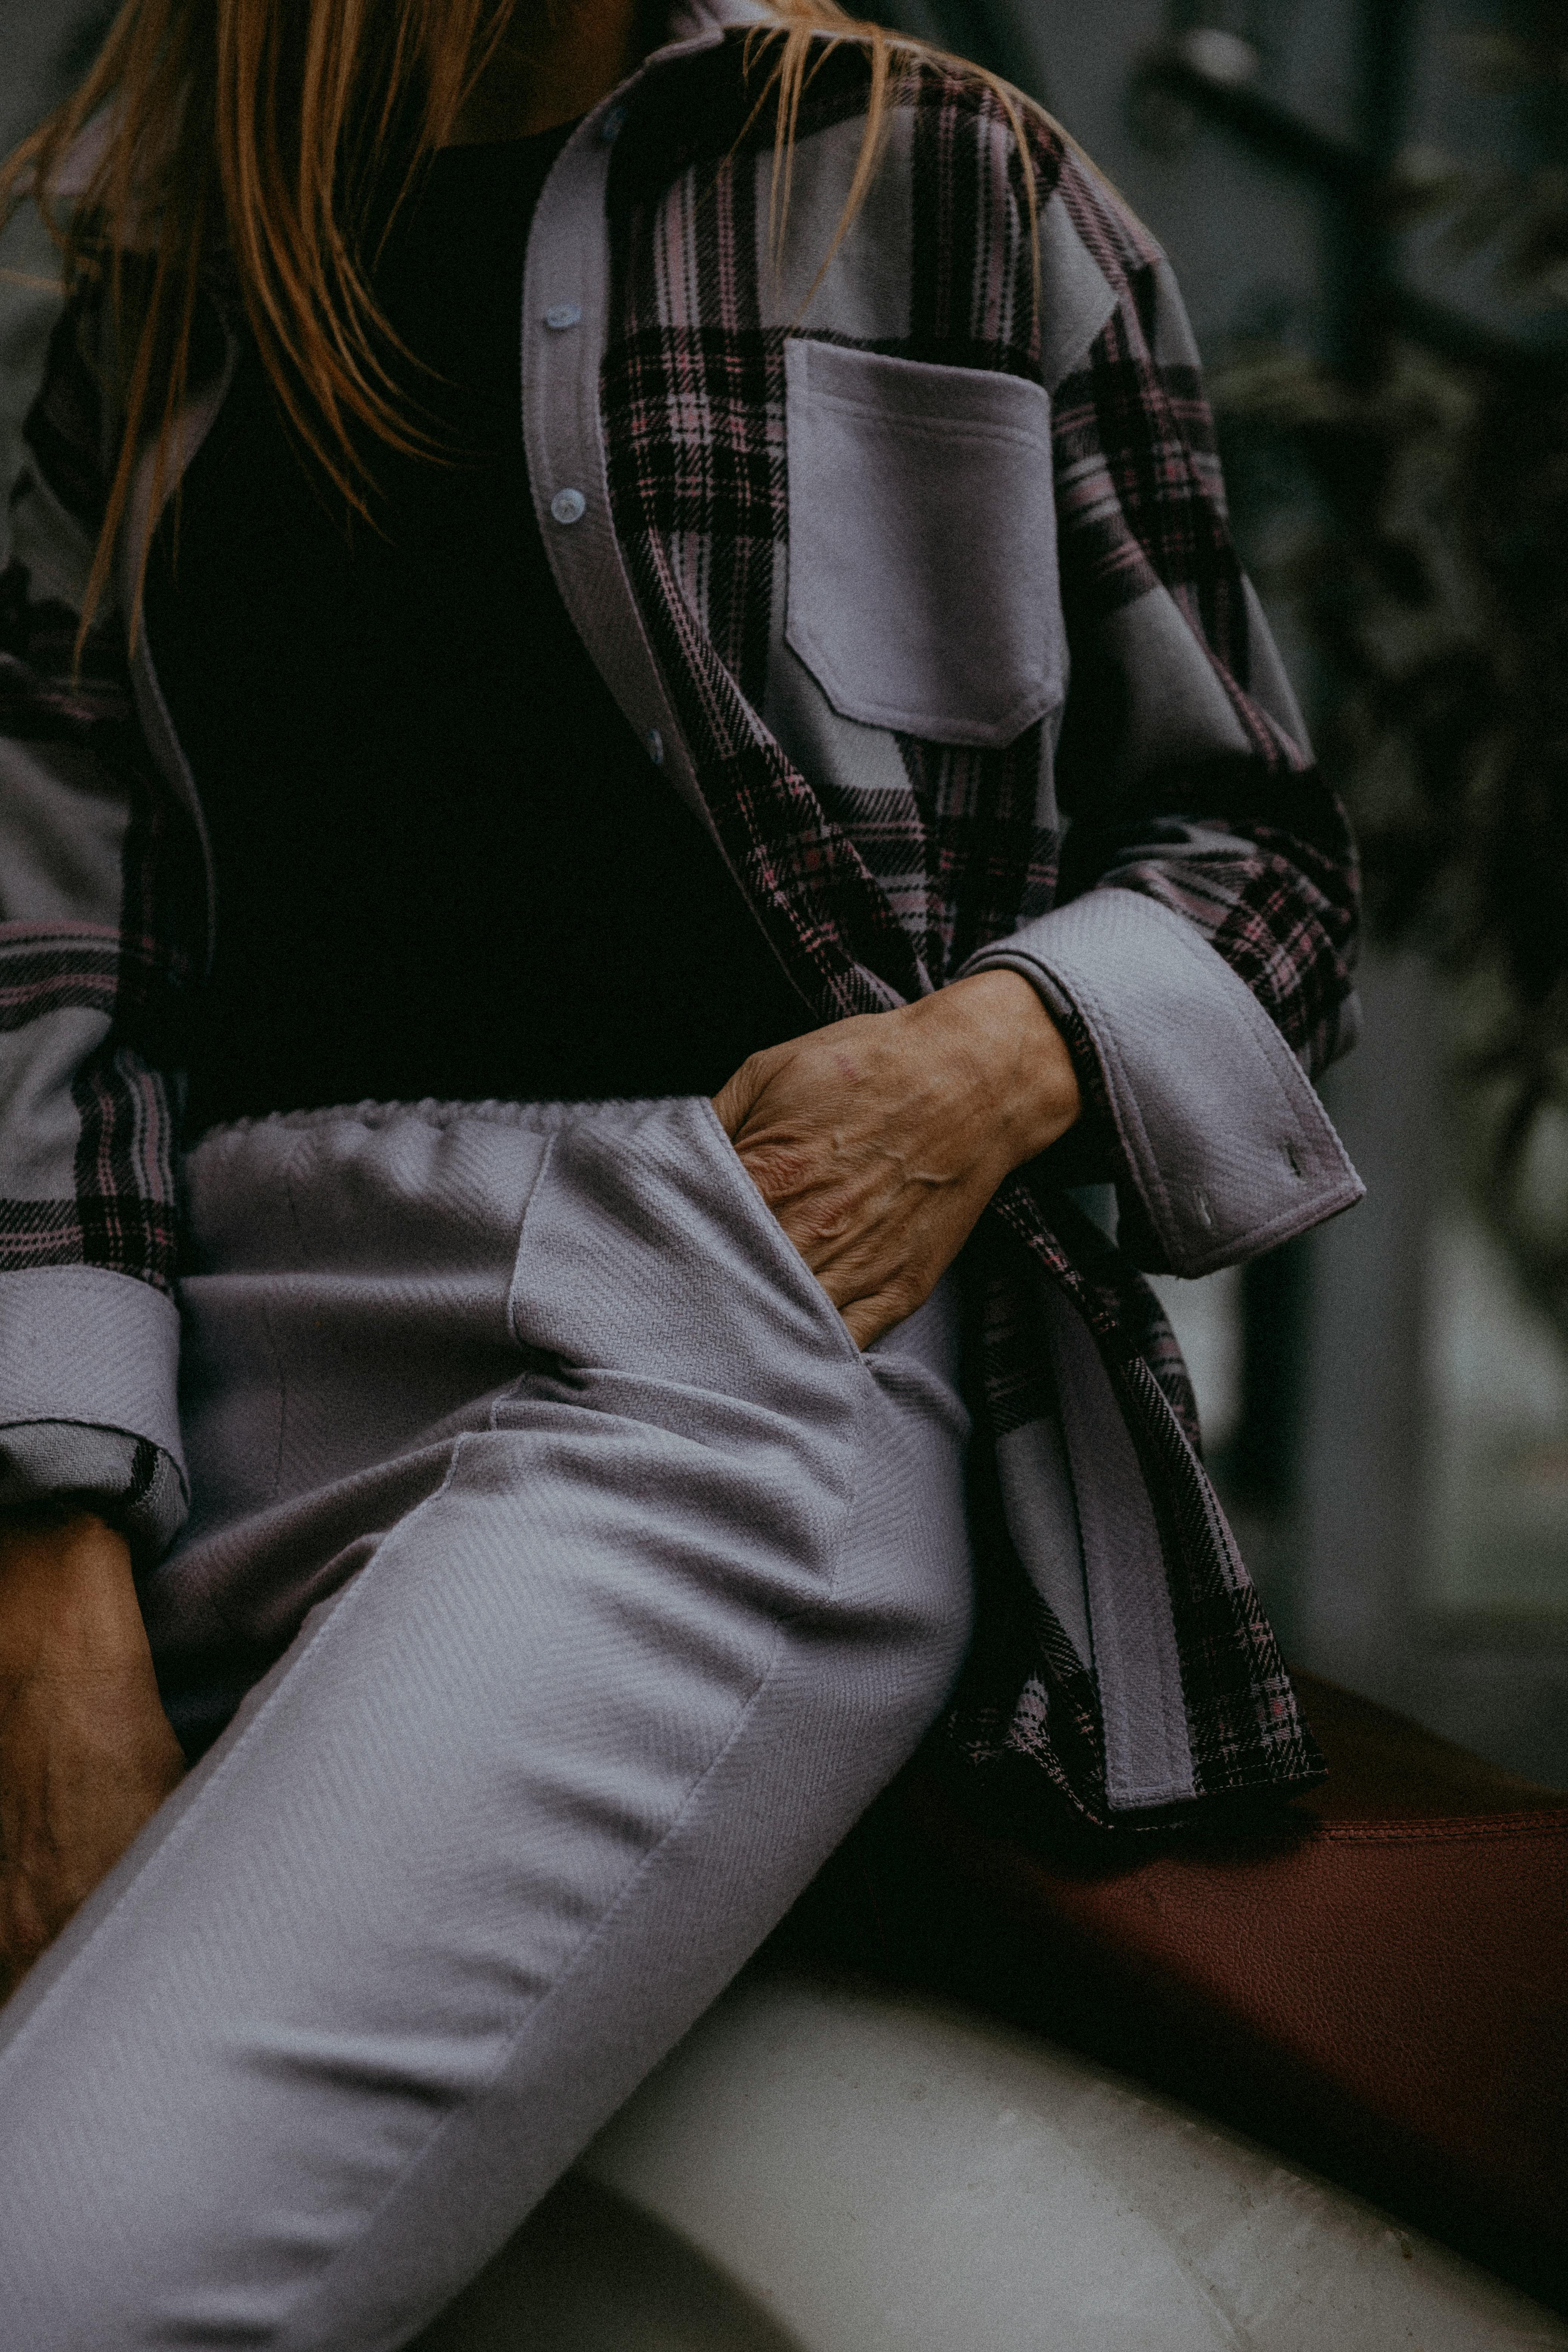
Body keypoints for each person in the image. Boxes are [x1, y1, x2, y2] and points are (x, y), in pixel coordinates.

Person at [0, 0, 1363, 2338]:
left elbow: (1262, 857)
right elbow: (45, 945)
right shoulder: (150, 266)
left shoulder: (941, 177)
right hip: (176, 1396)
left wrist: (998, 1051)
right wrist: (41, 1545)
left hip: (695, 1358)